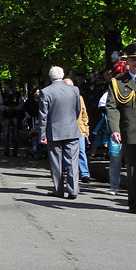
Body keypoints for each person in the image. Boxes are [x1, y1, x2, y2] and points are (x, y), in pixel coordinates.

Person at [106, 41, 136, 213]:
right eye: (133, 59)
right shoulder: (117, 83)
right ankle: (135, 202)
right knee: (132, 169)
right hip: (129, 129)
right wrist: (114, 129)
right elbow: (112, 107)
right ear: (128, 62)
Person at [39, 66, 82, 199]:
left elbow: (43, 115)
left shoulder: (46, 92)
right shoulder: (74, 89)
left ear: (50, 77)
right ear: (62, 76)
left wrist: (42, 134)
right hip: (71, 129)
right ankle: (73, 189)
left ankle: (58, 189)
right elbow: (78, 109)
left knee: (56, 162)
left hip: (54, 131)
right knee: (72, 161)